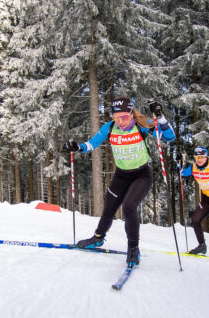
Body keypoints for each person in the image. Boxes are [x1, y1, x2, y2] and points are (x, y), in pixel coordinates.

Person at [64, 96, 175, 266]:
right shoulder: (109, 128)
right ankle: (98, 238)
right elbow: (92, 144)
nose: (120, 121)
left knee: (129, 207)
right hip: (121, 175)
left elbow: (169, 137)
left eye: (123, 117)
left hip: (141, 175)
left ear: (131, 113)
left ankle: (133, 248)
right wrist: (78, 147)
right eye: (116, 117)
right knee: (109, 205)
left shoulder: (141, 126)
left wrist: (160, 117)